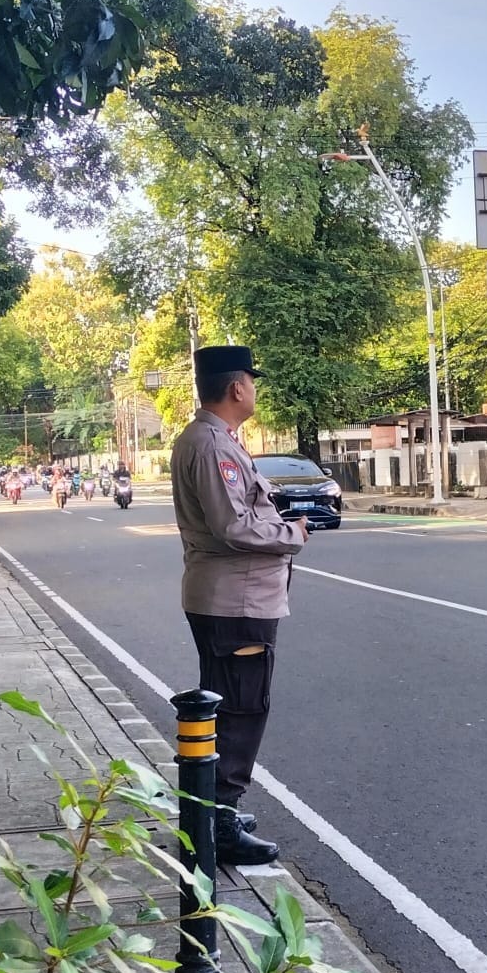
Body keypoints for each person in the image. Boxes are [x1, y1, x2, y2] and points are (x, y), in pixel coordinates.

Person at [171, 345, 307, 865]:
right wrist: (291, 534)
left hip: (229, 596)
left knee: (224, 705)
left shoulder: (212, 439)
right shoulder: (214, 446)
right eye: (252, 381)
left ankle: (208, 812)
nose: (254, 390)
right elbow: (233, 526)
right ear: (236, 387)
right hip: (237, 600)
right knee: (241, 709)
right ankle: (219, 820)